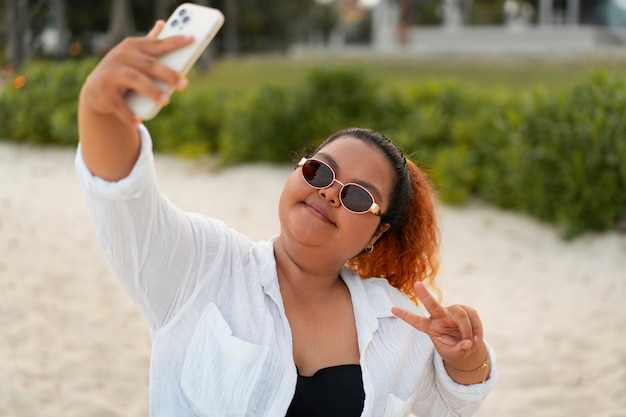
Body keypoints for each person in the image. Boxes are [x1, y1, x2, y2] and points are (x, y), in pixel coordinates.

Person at [76, 20, 496, 417]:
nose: (329, 191)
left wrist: (467, 356)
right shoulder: (204, 265)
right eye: (320, 171)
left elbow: (449, 405)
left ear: (378, 231)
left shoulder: (398, 319)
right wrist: (100, 110)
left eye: (355, 195)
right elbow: (125, 200)